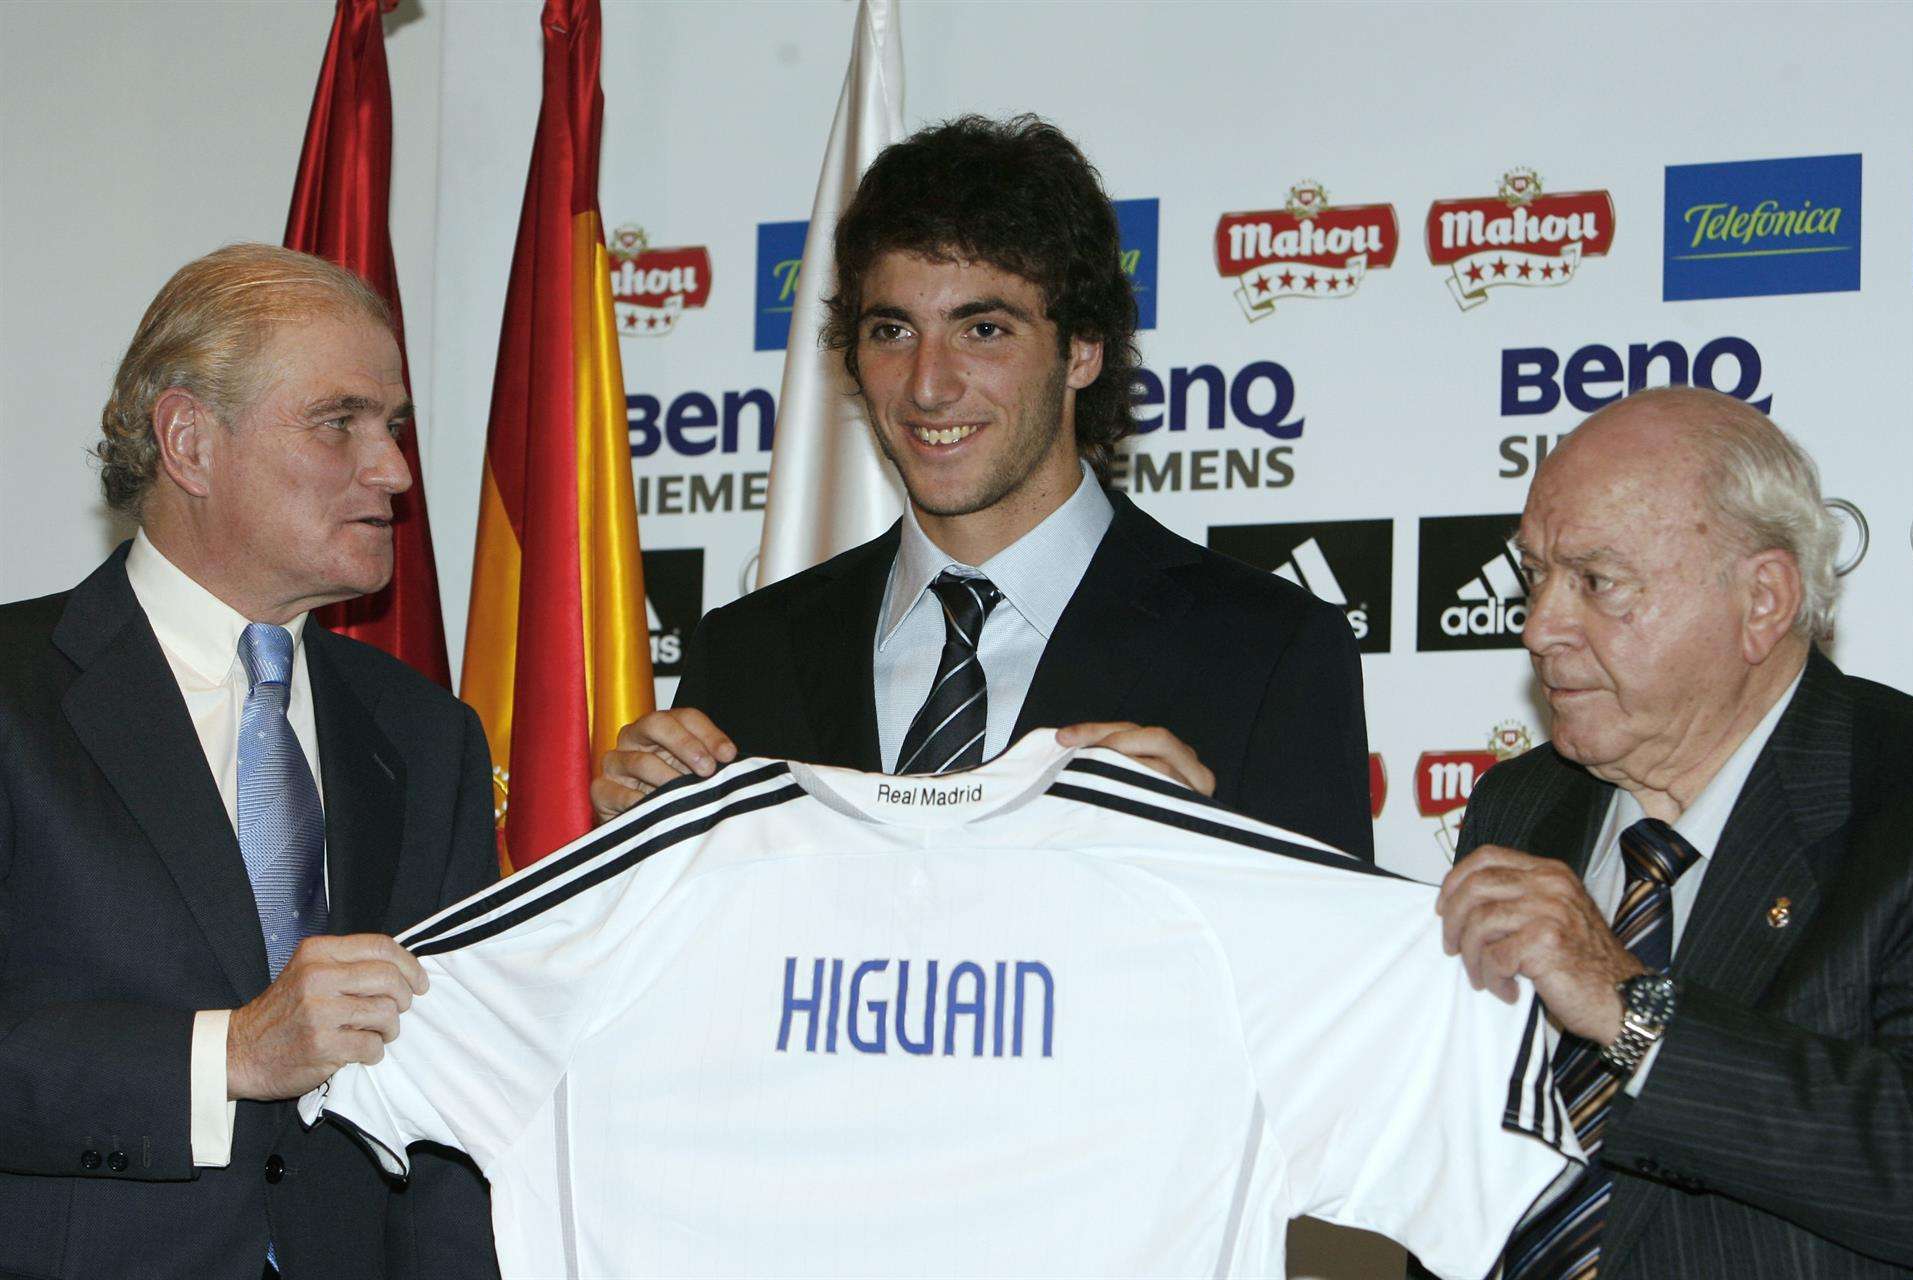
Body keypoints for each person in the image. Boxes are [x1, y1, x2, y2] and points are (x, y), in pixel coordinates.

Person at [593, 115, 1373, 858]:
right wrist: (637, 851)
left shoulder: (1268, 652)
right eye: (892, 331)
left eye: (984, 330)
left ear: (1084, 349)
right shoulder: (745, 656)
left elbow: (1330, 981)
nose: (928, 386)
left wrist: (1209, 863)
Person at [0, 245, 499, 1280]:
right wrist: (228, 1055)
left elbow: (459, 1114)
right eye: (339, 422)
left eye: (394, 428)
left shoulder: (426, 735)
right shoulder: (16, 693)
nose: (395, 470)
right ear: (188, 439)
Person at [1436, 386, 1913, 1278]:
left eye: (1597, 581)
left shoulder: (1900, 797)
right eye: (1535, 575)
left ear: (1763, 600)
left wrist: (1633, 1012)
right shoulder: (1518, 806)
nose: (1540, 627)